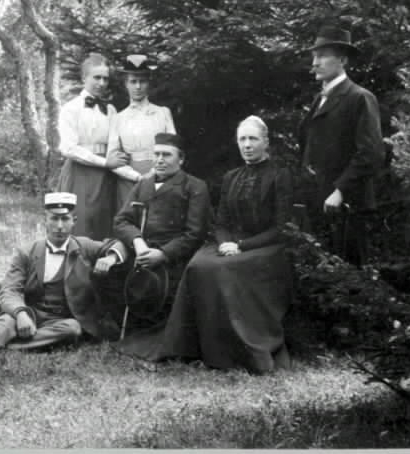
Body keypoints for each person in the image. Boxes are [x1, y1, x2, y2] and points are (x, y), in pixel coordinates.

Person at [116, 116, 297, 373]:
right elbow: (221, 222)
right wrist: (225, 243)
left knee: (220, 269)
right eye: (242, 139)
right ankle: (191, 346)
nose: (247, 145)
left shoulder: (280, 175)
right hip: (230, 244)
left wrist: (241, 246)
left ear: (266, 142)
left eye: (253, 139)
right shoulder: (232, 177)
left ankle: (233, 350)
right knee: (198, 266)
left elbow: (281, 227)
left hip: (266, 247)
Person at [0, 192, 128, 361]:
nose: (60, 226)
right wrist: (21, 313)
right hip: (32, 313)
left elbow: (119, 245)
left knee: (72, 329)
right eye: (54, 219)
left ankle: (0, 346)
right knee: (6, 322)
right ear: (45, 220)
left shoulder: (85, 247)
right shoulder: (27, 252)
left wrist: (111, 258)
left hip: (63, 320)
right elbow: (9, 290)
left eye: (65, 219)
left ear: (74, 221)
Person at [93, 133, 210, 334]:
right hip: (140, 251)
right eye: (156, 154)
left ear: (181, 159)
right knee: (104, 269)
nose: (160, 160)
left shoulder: (194, 186)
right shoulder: (143, 185)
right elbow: (121, 221)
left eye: (167, 155)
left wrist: (163, 254)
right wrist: (138, 242)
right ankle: (115, 326)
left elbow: (195, 233)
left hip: (174, 257)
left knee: (164, 293)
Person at [297, 25, 385, 266]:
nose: (315, 63)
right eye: (314, 56)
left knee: (349, 275)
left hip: (346, 206)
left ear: (343, 60)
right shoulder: (319, 99)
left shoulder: (359, 97)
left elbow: (371, 153)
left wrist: (340, 191)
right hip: (319, 203)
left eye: (322, 56)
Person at [58, 53, 129, 240]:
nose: (102, 83)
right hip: (79, 173)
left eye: (105, 79)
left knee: (103, 224)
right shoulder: (71, 109)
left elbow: (115, 144)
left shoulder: (110, 110)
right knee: (79, 223)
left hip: (106, 176)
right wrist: (105, 162)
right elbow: (68, 148)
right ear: (84, 78)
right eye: (97, 77)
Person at [107, 54, 176, 207]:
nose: (138, 86)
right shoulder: (118, 119)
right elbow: (112, 158)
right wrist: (137, 177)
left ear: (149, 83)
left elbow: (173, 150)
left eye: (142, 81)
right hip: (128, 180)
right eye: (133, 81)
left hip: (160, 176)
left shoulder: (163, 113)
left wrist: (154, 174)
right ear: (126, 84)